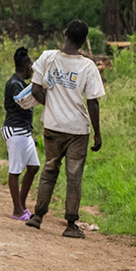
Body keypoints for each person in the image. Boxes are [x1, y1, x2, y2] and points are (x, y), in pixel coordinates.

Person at [25, 20, 104, 239]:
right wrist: (97, 134)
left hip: (53, 126)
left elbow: (35, 89)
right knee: (74, 175)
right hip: (78, 130)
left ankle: (37, 216)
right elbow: (93, 103)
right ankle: (70, 224)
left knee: (49, 170)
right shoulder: (88, 67)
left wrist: (51, 107)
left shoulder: (47, 58)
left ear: (65, 33)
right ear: (84, 41)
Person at [2, 46, 41, 220]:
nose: (32, 70)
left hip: (24, 131)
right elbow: (24, 101)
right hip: (16, 130)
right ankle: (17, 210)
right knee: (15, 170)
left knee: (33, 167)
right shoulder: (14, 85)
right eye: (31, 66)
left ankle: (22, 205)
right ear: (26, 66)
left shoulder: (19, 83)